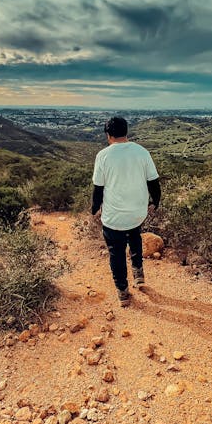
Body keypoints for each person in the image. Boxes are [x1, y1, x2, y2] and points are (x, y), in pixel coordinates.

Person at [91, 116, 161, 307]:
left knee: (116, 252)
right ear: (126, 132)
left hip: (114, 217)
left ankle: (123, 291)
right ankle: (138, 272)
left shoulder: (103, 156)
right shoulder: (142, 152)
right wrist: (156, 202)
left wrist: (95, 209)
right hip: (137, 212)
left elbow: (98, 188)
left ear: (108, 135)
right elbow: (153, 182)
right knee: (134, 234)